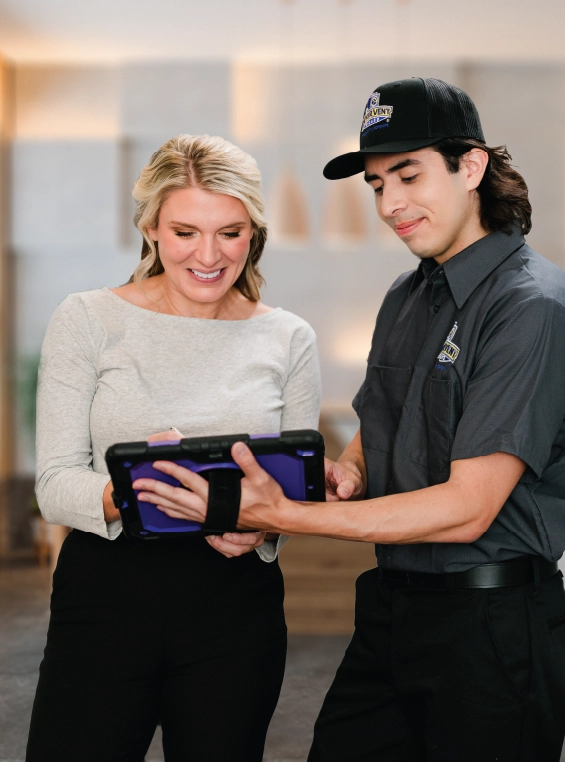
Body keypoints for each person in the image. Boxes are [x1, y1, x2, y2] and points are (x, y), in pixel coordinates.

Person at [147, 78, 565, 761]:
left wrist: (272, 513)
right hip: (392, 608)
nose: (390, 204)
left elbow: (467, 510)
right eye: (378, 184)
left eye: (408, 176)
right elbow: (380, 422)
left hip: (492, 623)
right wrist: (348, 471)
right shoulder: (407, 294)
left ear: (469, 166)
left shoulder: (531, 307)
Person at [26, 134, 321, 762]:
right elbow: (53, 482)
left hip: (236, 610)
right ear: (151, 229)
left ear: (254, 232)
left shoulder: (289, 338)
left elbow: (294, 493)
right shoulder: (87, 320)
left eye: (230, 232)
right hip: (105, 600)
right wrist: (136, 491)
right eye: (186, 231)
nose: (209, 255)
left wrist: (261, 530)